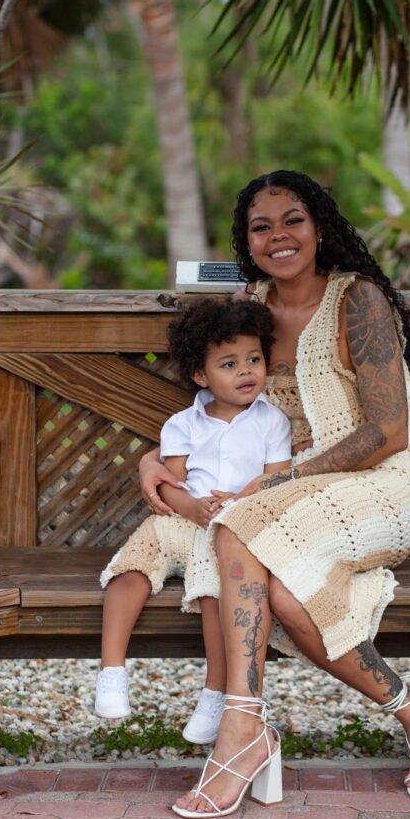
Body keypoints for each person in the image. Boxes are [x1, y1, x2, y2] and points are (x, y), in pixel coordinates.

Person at [140, 171, 410, 818]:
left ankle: (241, 731)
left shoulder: (355, 300)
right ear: (246, 240)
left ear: (318, 226)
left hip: (377, 487)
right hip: (285, 499)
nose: (278, 236)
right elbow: (211, 410)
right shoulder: (247, 304)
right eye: (261, 226)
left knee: (234, 528)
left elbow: (389, 430)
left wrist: (285, 476)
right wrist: (154, 458)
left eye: (292, 220)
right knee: (283, 590)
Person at [96, 297, 292, 745]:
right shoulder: (183, 424)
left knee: (213, 589)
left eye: (254, 359)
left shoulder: (272, 422)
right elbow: (169, 482)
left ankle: (215, 694)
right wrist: (193, 509)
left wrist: (239, 499)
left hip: (233, 531)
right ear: (201, 376)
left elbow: (278, 476)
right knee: (132, 564)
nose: (246, 371)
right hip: (185, 520)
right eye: (229, 364)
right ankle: (111, 672)